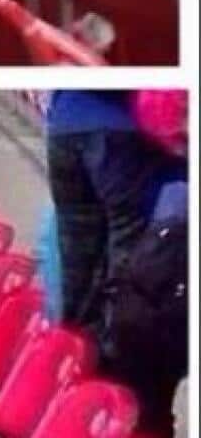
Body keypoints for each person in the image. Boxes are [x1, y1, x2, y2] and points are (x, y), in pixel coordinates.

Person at [45, 91, 178, 346]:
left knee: (75, 257)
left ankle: (70, 353)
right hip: (121, 127)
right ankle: (115, 351)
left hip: (65, 124)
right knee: (127, 252)